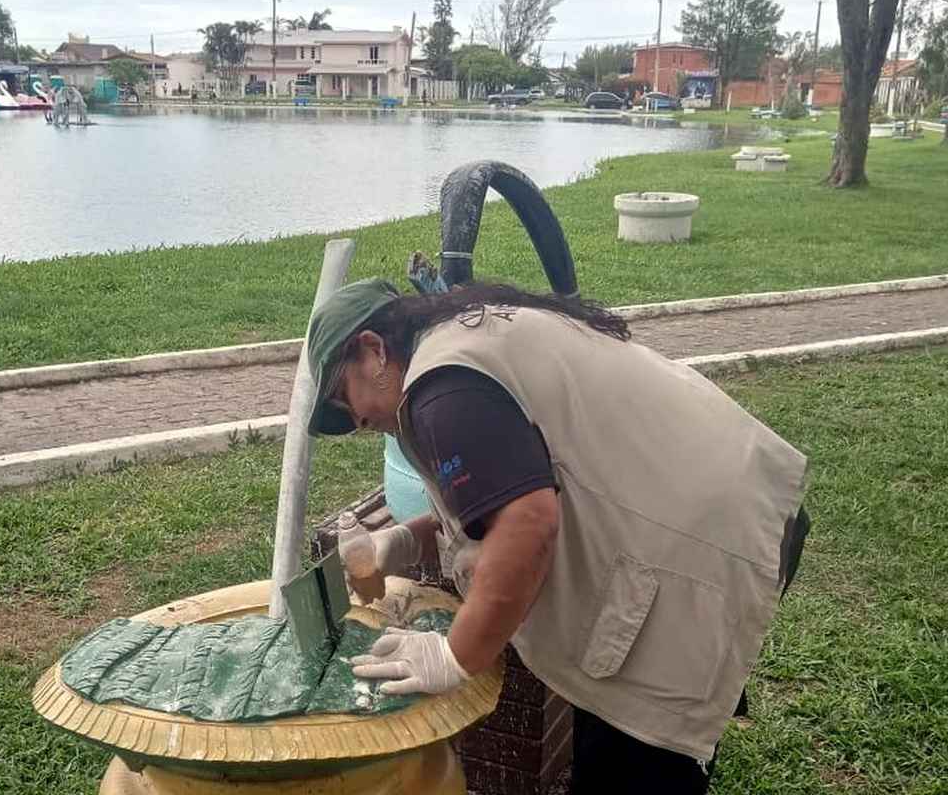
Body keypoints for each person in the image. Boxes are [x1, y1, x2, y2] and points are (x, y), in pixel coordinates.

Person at [306, 279, 811, 794]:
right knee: (612, 732)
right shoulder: (462, 344)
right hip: (718, 500)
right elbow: (498, 490)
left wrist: (455, 655)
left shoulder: (443, 388)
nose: (358, 422)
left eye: (346, 402)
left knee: (643, 752)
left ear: (373, 350)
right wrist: (402, 543)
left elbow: (528, 522)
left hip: (699, 541)